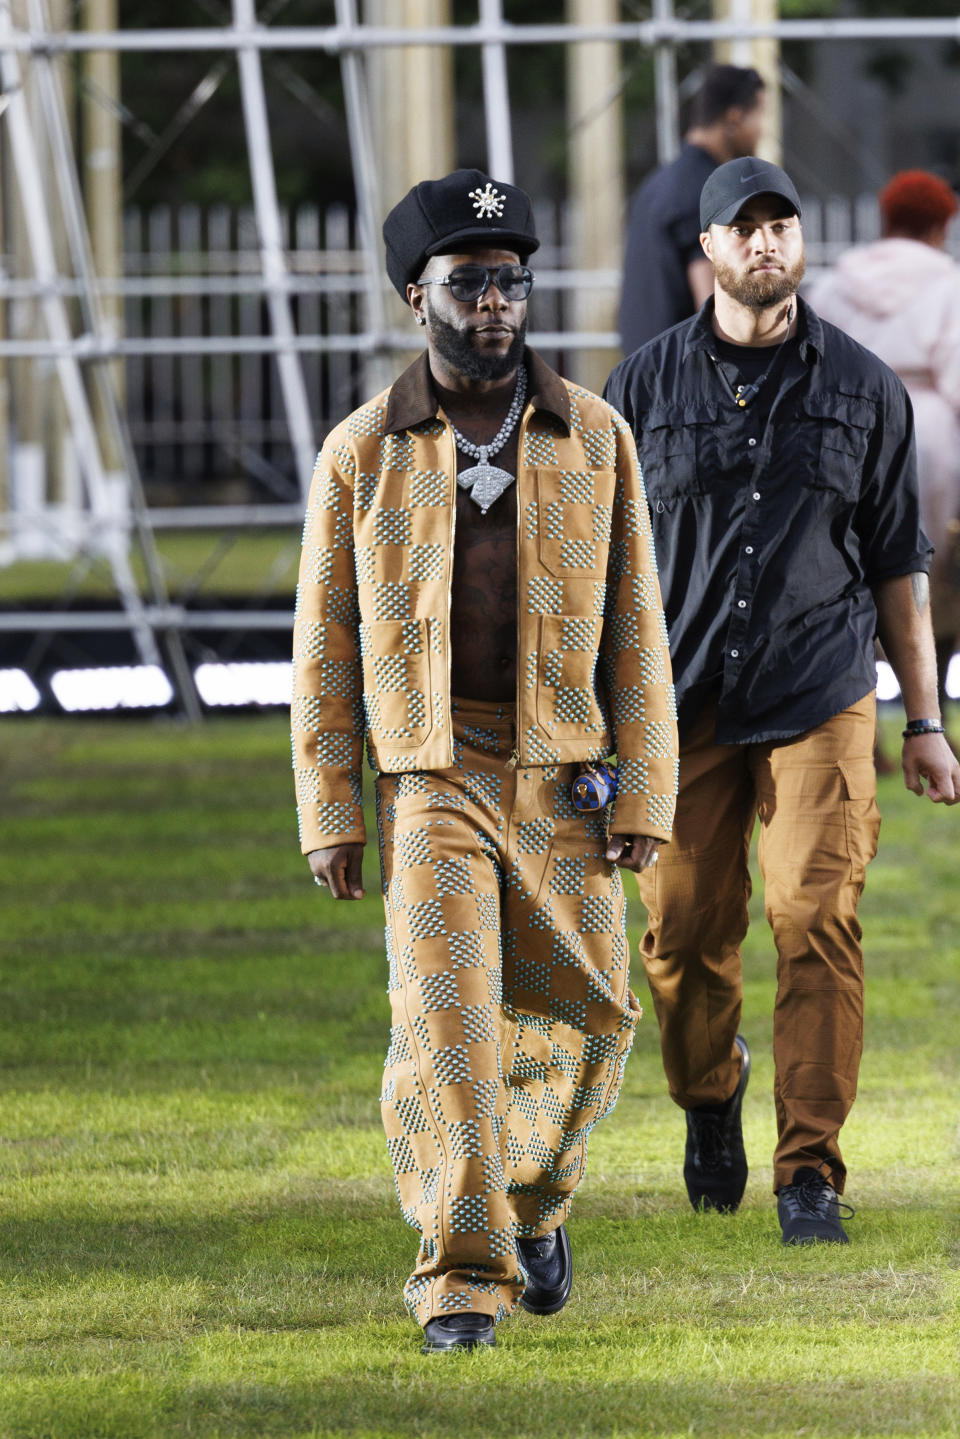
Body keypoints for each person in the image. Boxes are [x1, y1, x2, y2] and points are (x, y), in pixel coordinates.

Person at [291, 169, 678, 1352]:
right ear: (419, 296)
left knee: (601, 1012)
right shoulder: (363, 450)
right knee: (450, 1026)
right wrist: (333, 805)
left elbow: (635, 624)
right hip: (433, 777)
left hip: (564, 774)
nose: (497, 304)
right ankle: (463, 1275)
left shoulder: (596, 436)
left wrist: (647, 787)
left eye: (511, 281)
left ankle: (533, 1200)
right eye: (470, 284)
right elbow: (325, 641)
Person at [604, 156, 960, 1247]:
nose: (765, 242)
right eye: (742, 228)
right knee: (683, 937)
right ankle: (711, 1094)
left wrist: (926, 717)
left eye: (781, 224)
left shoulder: (863, 386)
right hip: (684, 703)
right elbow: (602, 566)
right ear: (704, 251)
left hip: (821, 690)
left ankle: (811, 1170)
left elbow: (900, 564)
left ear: (802, 242)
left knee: (816, 918)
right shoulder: (640, 389)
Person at [808, 169, 960, 719]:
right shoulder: (948, 283)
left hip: (845, 428)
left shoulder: (835, 284)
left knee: (847, 567)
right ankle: (931, 711)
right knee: (929, 576)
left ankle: (860, 724)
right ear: (943, 226)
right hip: (931, 432)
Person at [618, 63, 766, 355]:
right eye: (760, 116)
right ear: (735, 117)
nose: (761, 130)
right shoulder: (707, 190)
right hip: (684, 383)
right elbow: (716, 308)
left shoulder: (658, 183)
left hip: (644, 372)